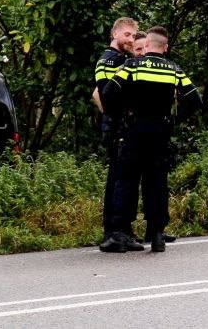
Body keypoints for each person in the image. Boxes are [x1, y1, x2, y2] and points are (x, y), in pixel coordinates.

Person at [100, 26, 202, 253]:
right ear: (165, 48)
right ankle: (157, 234)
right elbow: (195, 100)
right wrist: (175, 119)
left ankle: (119, 233)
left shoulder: (132, 66)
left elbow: (108, 93)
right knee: (157, 183)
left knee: (126, 181)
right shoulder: (174, 70)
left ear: (146, 46)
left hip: (134, 131)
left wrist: (124, 112)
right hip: (160, 132)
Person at [94, 17, 140, 250]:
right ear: (115, 35)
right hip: (118, 127)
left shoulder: (119, 59)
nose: (131, 40)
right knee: (120, 179)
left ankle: (122, 229)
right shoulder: (110, 61)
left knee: (122, 177)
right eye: (127, 35)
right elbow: (105, 95)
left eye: (134, 35)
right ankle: (115, 229)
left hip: (119, 125)